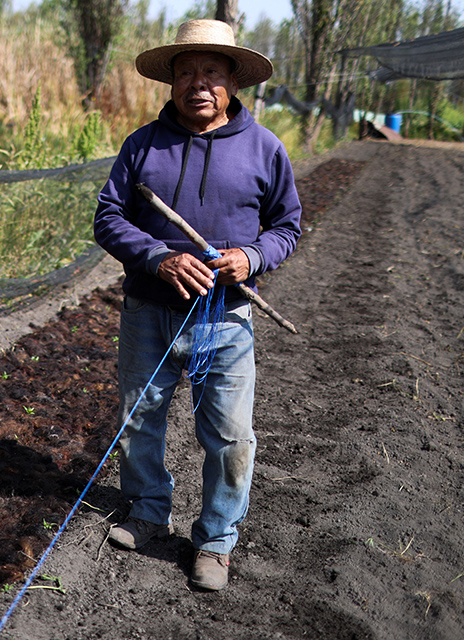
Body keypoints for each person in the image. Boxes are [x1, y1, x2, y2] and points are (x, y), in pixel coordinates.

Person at [93, 19, 301, 591]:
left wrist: (253, 258)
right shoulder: (142, 145)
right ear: (171, 82)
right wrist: (157, 257)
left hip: (226, 316)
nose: (198, 82)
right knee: (140, 419)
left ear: (234, 81)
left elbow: (287, 225)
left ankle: (215, 540)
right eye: (186, 71)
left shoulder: (265, 148)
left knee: (232, 436)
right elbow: (108, 218)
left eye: (211, 70)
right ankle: (147, 512)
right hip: (149, 309)